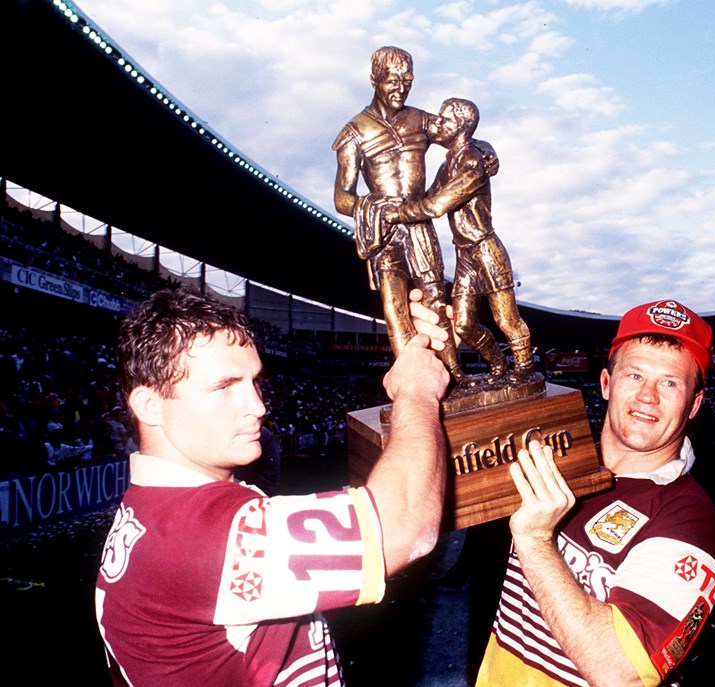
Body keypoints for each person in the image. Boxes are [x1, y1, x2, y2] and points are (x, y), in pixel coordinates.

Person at [94, 287, 450, 686]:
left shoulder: (156, 510)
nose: (258, 406)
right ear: (149, 405)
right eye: (224, 386)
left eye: (253, 382)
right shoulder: (199, 534)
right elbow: (404, 527)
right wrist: (416, 391)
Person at [412, 295, 715, 685]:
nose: (648, 395)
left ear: (695, 404)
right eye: (635, 375)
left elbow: (621, 673)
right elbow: (430, 545)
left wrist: (534, 539)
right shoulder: (555, 457)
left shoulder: (692, 523)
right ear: (606, 383)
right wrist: (438, 358)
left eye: (670, 383)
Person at [333, 46, 496, 385]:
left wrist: (489, 152)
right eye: (393, 81)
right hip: (385, 228)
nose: (401, 89)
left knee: (437, 301)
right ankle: (413, 380)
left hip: (419, 226)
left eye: (407, 81)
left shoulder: (419, 119)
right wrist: (367, 205)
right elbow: (341, 197)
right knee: (395, 308)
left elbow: (462, 135)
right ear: (374, 80)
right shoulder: (355, 131)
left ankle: (455, 375)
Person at [385, 98, 534, 382]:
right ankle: (499, 365)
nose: (439, 124)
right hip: (465, 254)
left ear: (462, 126)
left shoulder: (474, 161)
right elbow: (426, 198)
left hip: (487, 250)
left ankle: (525, 369)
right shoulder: (449, 163)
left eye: (445, 119)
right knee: (464, 325)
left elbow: (436, 206)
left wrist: (396, 213)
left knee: (506, 319)